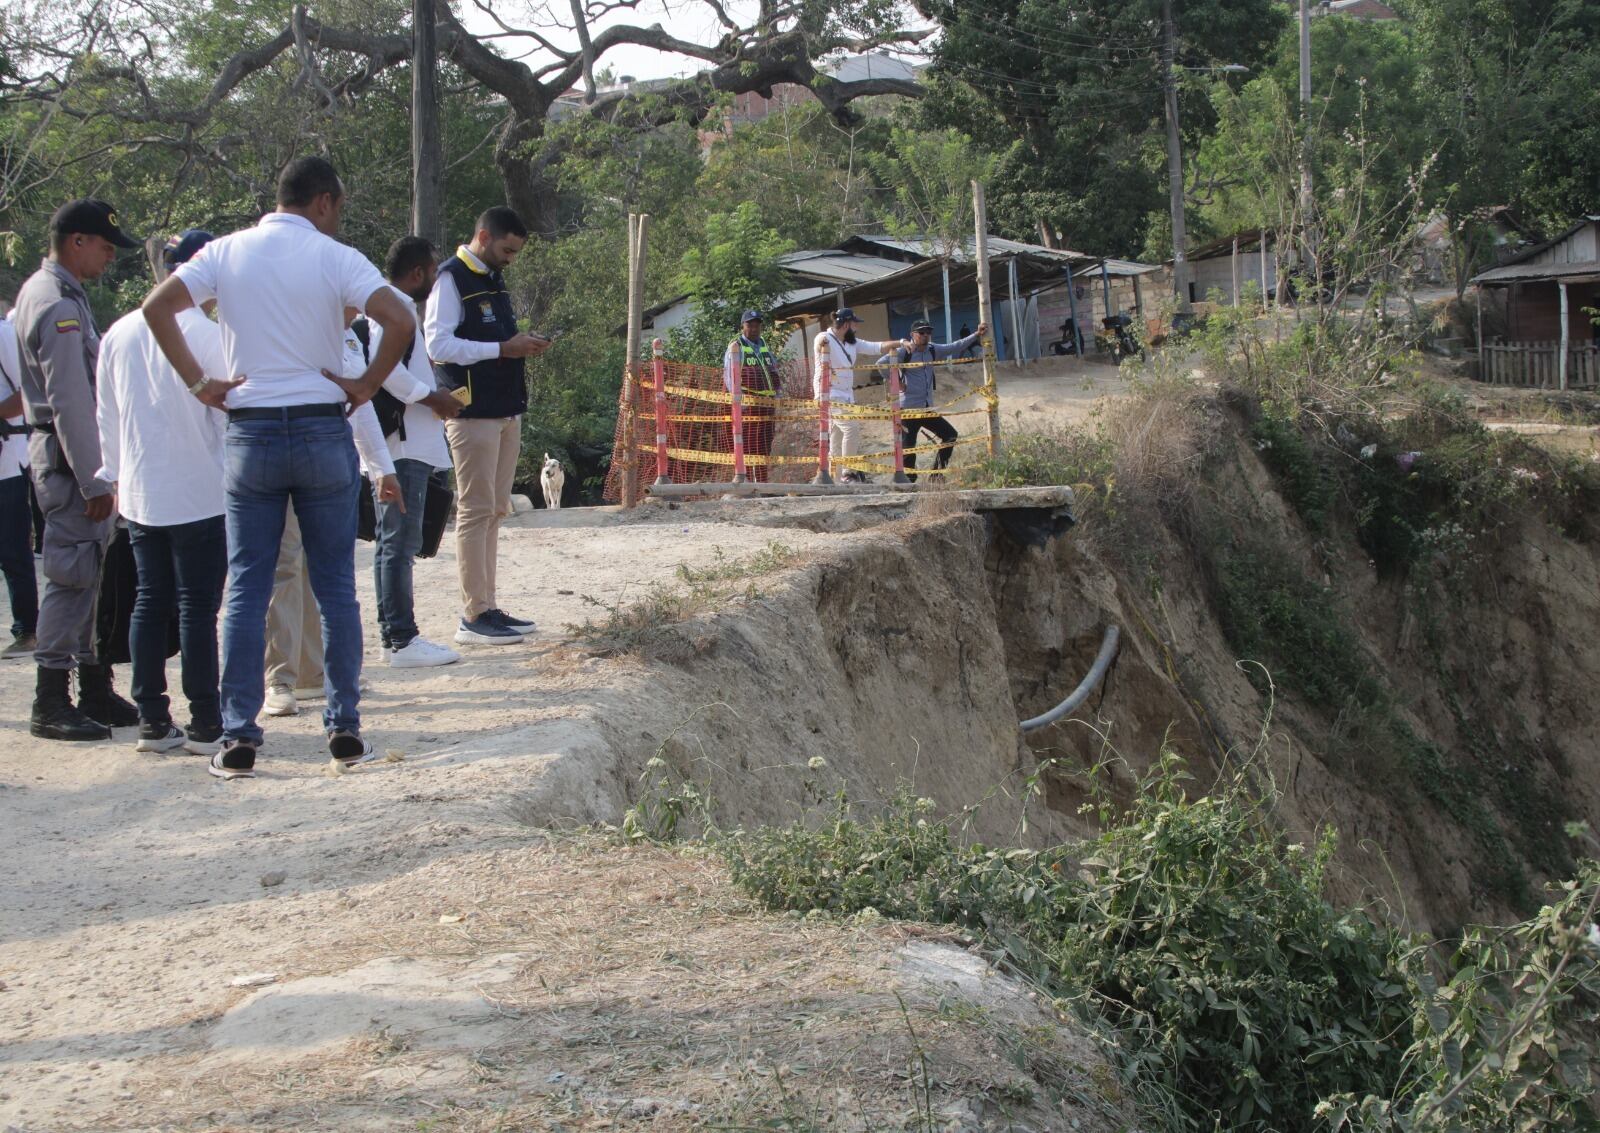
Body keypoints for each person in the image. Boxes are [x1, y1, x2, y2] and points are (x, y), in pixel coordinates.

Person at [141, 156, 416, 780]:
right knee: (335, 586)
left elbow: (159, 308)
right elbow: (399, 319)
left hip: (251, 428)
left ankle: (239, 737)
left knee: (246, 587)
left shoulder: (226, 254)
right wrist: (366, 385)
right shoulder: (336, 257)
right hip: (322, 426)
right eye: (337, 207)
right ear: (323, 201)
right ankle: (344, 729)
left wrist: (199, 382)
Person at [94, 229, 232, 755]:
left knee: (148, 603)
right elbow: (228, 415)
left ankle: (152, 719)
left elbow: (105, 411)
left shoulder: (120, 331)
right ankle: (204, 721)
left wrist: (114, 472)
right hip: (199, 487)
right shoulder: (208, 334)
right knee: (198, 608)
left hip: (141, 488)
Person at [14, 199, 142, 741]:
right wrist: (95, 478)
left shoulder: (63, 295)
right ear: (77, 241)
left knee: (90, 575)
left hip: (70, 458)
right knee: (71, 576)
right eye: (107, 246)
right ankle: (50, 699)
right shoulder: (56, 305)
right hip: (70, 464)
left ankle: (91, 686)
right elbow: (69, 400)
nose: (111, 258)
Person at [262, 308, 399, 717]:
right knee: (283, 564)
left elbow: (363, 403)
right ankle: (278, 679)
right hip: (279, 451)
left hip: (329, 460)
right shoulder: (285, 327)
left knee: (320, 568)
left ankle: (312, 672)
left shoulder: (346, 338)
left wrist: (381, 467)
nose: (356, 309)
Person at [424, 206, 550, 646]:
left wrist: (519, 348)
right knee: (476, 511)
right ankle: (473, 614)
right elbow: (437, 345)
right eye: (506, 249)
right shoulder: (450, 278)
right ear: (483, 236)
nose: (511, 258)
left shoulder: (493, 279)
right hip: (471, 413)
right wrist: (502, 348)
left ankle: (489, 606)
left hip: (505, 410)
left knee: (496, 510)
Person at [366, 236, 463, 667]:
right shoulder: (396, 311)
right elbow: (384, 371)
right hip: (402, 447)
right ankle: (402, 639)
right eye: (434, 270)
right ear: (419, 272)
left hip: (409, 445)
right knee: (398, 544)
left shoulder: (398, 310)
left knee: (395, 545)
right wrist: (433, 397)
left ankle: (396, 637)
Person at [810, 308, 907, 483]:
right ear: (846, 324)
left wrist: (900, 342)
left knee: (837, 437)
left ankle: (834, 478)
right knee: (851, 429)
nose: (857, 328)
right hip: (829, 394)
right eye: (855, 324)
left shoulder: (852, 342)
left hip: (846, 396)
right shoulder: (824, 338)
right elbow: (819, 344)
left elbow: (877, 347)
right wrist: (822, 343)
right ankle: (848, 472)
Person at [895, 321, 985, 482]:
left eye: (928, 332)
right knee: (908, 448)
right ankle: (909, 482)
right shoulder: (904, 352)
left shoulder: (933, 349)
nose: (925, 336)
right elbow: (880, 364)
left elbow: (955, 346)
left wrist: (976, 334)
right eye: (921, 332)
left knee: (950, 435)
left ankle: (936, 476)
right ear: (912, 335)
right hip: (908, 410)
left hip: (926, 408)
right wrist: (896, 381)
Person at [0, 305, 38, 661]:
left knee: (12, 550)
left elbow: (29, 389)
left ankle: (28, 629)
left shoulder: (4, 334)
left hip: (7, 460)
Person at [722, 309, 780, 483]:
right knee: (748, 444)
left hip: (767, 406)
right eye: (750, 325)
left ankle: (762, 483)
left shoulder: (763, 345)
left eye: (757, 325)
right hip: (747, 406)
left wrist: (778, 395)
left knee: (764, 445)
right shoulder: (736, 347)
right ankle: (745, 481)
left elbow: (774, 371)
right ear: (743, 326)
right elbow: (729, 377)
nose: (754, 329)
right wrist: (739, 402)